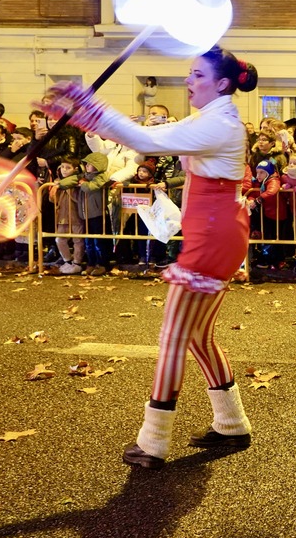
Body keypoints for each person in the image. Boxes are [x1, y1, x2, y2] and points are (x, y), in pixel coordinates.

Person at [38, 47, 260, 470]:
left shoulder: (218, 124)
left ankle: (154, 441)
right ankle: (231, 423)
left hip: (211, 242)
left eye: (196, 74)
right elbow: (147, 134)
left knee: (173, 339)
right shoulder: (213, 119)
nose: (187, 80)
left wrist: (90, 105)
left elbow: (146, 141)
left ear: (223, 83)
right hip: (217, 235)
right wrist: (95, 117)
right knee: (196, 337)